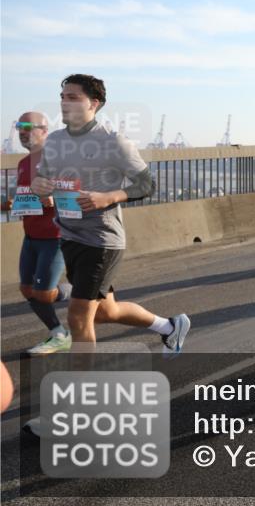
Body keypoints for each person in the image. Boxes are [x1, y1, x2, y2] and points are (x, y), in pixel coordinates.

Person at [30, 74, 190, 353]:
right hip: (69, 236)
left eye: (73, 98)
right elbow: (43, 183)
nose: (64, 103)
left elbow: (147, 184)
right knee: (106, 312)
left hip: (101, 240)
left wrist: (109, 197)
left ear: (94, 103)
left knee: (79, 317)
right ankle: (170, 327)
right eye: (62, 97)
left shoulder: (113, 141)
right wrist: (39, 187)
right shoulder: (54, 141)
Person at [13, 112, 72, 355]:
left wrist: (54, 199)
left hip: (54, 238)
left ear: (44, 130)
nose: (22, 131)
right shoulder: (23, 163)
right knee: (28, 289)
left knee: (44, 293)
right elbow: (25, 198)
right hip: (31, 237)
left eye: (27, 126)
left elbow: (75, 197)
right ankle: (58, 333)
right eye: (19, 126)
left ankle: (76, 289)